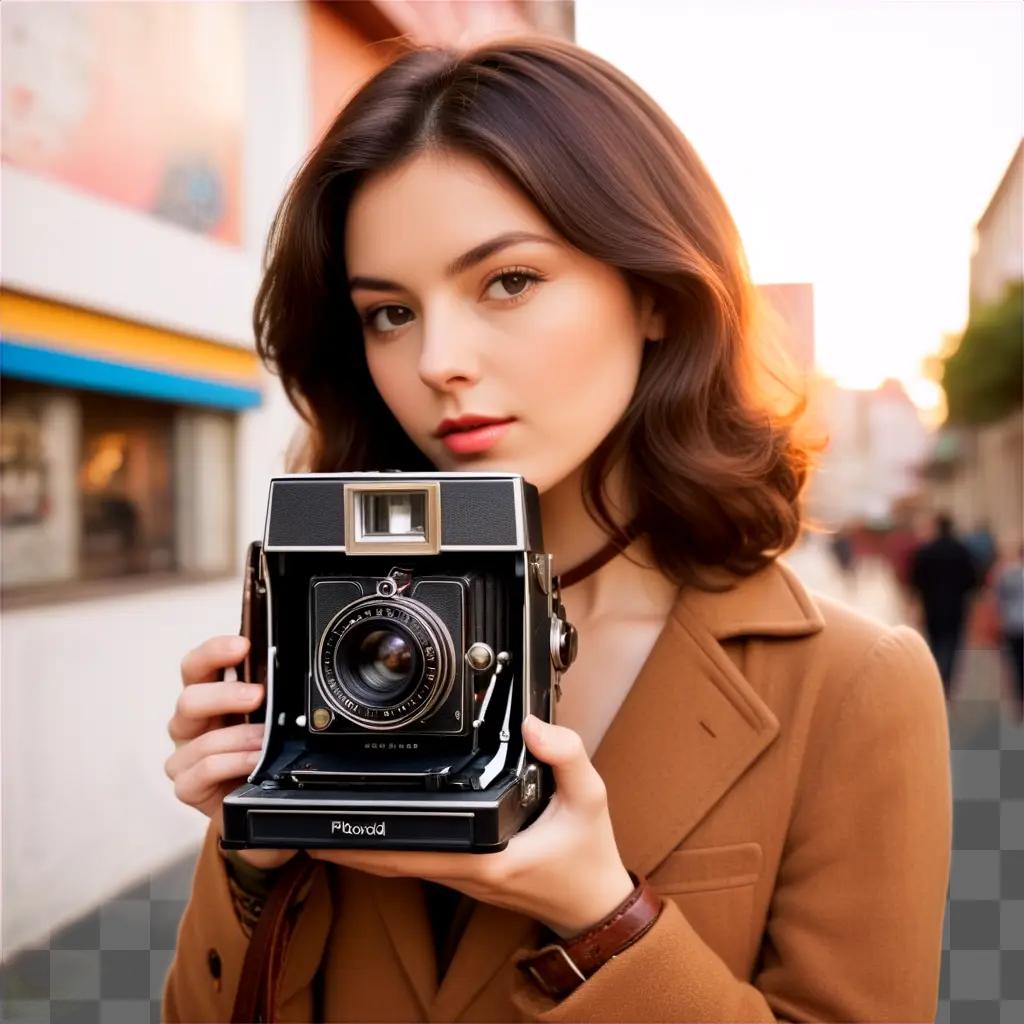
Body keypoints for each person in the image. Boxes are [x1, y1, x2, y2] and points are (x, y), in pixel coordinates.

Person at [161, 35, 951, 1023]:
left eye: (507, 281)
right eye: (391, 312)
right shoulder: (337, 644)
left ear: (654, 291)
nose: (438, 360)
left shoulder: (848, 685)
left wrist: (603, 917)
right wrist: (249, 853)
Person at [909, 512, 979, 696]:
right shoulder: (961, 550)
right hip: (956, 606)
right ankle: (946, 681)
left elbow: (916, 579)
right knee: (953, 643)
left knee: (935, 642)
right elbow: (973, 579)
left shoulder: (927, 551)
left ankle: (936, 678)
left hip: (932, 605)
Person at [994, 541, 1024, 722]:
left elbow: (999, 599)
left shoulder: (1007, 573)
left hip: (1011, 624)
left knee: (1015, 663)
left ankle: (1019, 699)